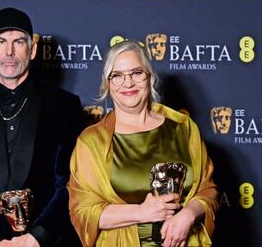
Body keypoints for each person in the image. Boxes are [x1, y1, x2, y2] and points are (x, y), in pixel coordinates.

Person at [0, 7, 86, 246]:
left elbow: (71, 181)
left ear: (32, 50)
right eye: (1, 41)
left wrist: (37, 237)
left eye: (18, 42)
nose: (9, 52)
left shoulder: (65, 106)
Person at [68, 41, 217, 246]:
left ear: (149, 76)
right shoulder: (92, 141)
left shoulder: (183, 127)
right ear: (107, 84)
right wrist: (141, 212)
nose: (128, 83)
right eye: (117, 75)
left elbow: (207, 191)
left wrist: (189, 215)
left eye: (136, 72)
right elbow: (82, 213)